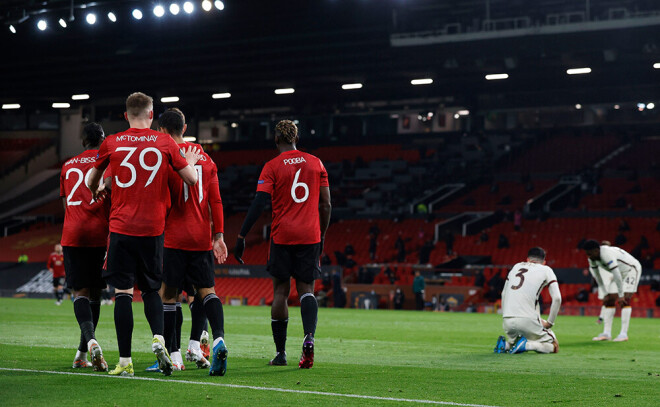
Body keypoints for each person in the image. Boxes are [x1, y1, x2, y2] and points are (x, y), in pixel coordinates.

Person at [87, 92, 201, 377]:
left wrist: (97, 188)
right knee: (152, 289)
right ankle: (159, 338)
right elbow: (192, 179)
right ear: (152, 115)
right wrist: (185, 158)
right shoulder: (164, 142)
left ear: (125, 116)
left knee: (123, 292)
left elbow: (92, 179)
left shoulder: (112, 141)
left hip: (122, 227)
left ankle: (125, 361)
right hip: (153, 230)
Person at [234, 120, 331, 369]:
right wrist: (321, 234)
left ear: (276, 139)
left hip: (282, 235)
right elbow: (326, 205)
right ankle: (309, 338)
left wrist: (242, 236)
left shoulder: (271, 166)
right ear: (296, 137)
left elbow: (259, 204)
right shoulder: (316, 162)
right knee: (307, 290)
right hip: (310, 235)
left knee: (280, 293)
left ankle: (280, 353)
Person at [157, 109, 229, 376]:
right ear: (185, 127)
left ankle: (175, 355)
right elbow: (216, 201)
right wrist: (218, 235)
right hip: (201, 238)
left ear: (162, 130)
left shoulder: (165, 159)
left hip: (173, 237)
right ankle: (214, 339)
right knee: (206, 292)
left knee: (169, 296)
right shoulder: (207, 159)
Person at [60, 122, 112, 371]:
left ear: (82, 141)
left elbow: (65, 206)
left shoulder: (67, 166)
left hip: (72, 233)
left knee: (79, 293)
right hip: (99, 234)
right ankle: (87, 346)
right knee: (95, 293)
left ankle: (85, 349)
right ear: (102, 140)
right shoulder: (107, 163)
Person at [494, 247, 561, 354]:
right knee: (554, 346)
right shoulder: (546, 269)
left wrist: (506, 314)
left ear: (527, 259)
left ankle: (506, 345)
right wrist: (550, 323)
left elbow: (504, 294)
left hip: (507, 321)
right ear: (544, 262)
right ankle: (527, 345)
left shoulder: (516, 267)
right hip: (527, 321)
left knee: (514, 342)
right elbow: (557, 298)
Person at [583, 240, 642, 342]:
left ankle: (623, 334)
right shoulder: (592, 259)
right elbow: (598, 277)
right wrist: (605, 293)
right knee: (609, 300)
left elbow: (617, 275)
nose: (589, 256)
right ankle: (607, 333)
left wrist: (621, 294)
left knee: (625, 299)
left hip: (630, 270)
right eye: (587, 254)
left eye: (590, 254)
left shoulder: (606, 254)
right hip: (618, 274)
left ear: (596, 250)